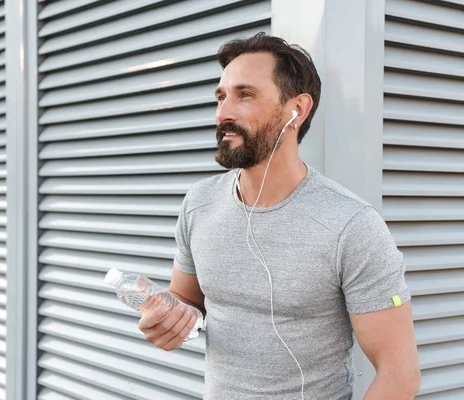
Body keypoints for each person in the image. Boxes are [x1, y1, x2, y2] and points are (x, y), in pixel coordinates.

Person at [138, 33, 420, 399]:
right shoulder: (198, 202)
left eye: (246, 95)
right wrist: (169, 318)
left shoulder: (352, 226)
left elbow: (399, 374)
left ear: (297, 110)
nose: (222, 113)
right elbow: (188, 299)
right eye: (221, 97)